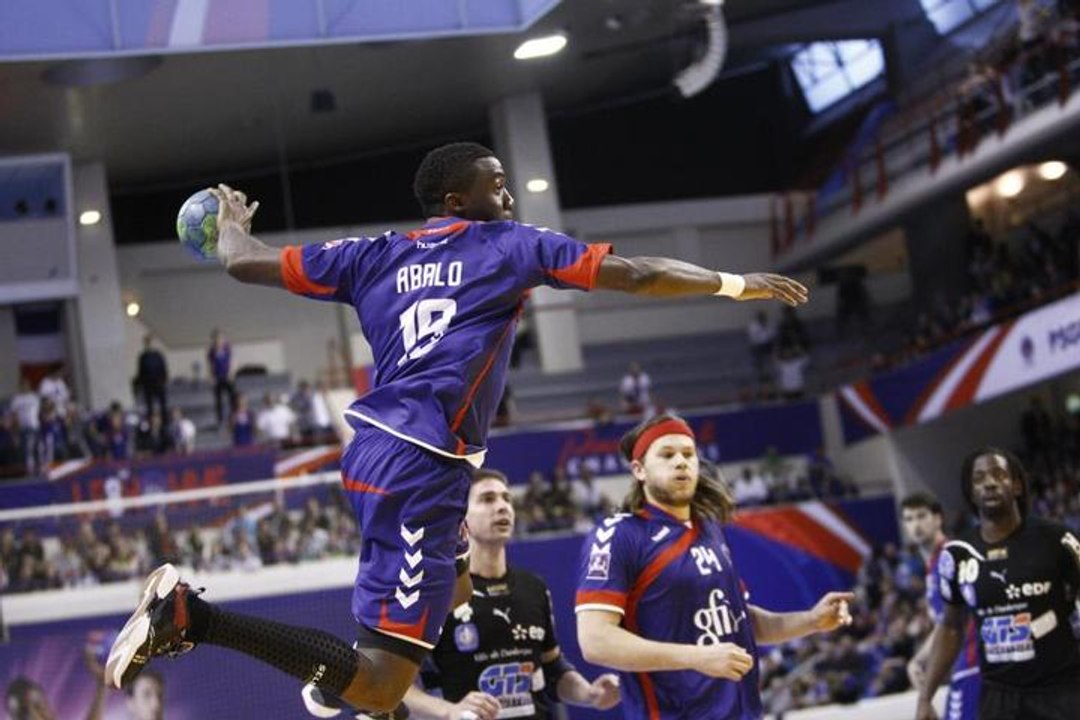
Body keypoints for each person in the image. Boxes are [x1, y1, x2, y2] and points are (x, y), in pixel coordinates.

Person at [105, 142, 808, 717]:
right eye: (496, 185)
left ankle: (334, 669)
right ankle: (195, 620)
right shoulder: (508, 245)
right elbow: (638, 273)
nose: (507, 195)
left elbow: (243, 261)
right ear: (456, 202)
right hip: (423, 464)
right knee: (380, 689)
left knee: (451, 602)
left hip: (383, 453)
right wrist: (735, 283)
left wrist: (226, 221)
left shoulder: (372, 254)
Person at [575, 414, 853, 719]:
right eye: (667, 454)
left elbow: (743, 623)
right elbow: (596, 641)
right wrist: (696, 657)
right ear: (639, 470)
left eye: (688, 454)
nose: (681, 462)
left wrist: (811, 621)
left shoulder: (709, 529)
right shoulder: (620, 534)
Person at [395, 468, 620, 719]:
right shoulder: (436, 595)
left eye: (506, 498)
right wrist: (450, 711)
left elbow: (552, 669)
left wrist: (590, 694)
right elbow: (398, 687)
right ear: (460, 519)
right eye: (487, 499)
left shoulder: (533, 587)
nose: (502, 507)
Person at [915, 447, 1080, 720]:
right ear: (971, 492)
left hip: (1060, 690)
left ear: (1016, 485)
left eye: (998, 474)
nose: (989, 483)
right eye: (979, 478)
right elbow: (951, 627)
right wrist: (925, 697)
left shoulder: (1056, 539)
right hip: (998, 697)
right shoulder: (957, 554)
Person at [900, 492, 979, 720]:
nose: (915, 524)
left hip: (974, 662)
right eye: (909, 519)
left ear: (938, 519)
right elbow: (944, 624)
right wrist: (918, 660)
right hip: (964, 664)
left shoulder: (950, 556)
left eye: (921, 516)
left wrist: (920, 661)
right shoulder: (932, 565)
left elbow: (952, 624)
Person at [207, 329, 236, 426]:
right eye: (217, 338)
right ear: (214, 339)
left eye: (221, 338)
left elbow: (231, 362)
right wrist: (211, 377)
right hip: (217, 377)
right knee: (218, 400)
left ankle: (234, 417)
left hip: (227, 376)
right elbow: (211, 365)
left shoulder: (227, 348)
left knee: (232, 398)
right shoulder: (211, 351)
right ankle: (220, 420)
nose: (219, 340)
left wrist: (231, 373)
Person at [136, 335, 169, 420]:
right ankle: (151, 422)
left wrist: (163, 380)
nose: (149, 344)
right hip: (148, 384)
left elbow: (163, 368)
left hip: (159, 383)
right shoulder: (143, 357)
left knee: (163, 405)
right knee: (149, 406)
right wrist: (140, 384)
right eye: (147, 343)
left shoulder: (158, 355)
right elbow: (140, 371)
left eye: (150, 342)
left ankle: (164, 421)